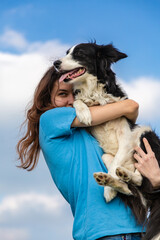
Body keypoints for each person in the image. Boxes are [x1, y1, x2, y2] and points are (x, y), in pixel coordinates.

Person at [17, 65, 160, 240]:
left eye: (76, 93)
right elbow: (130, 107)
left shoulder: (97, 129)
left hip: (140, 228)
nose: (71, 100)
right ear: (47, 100)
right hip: (102, 231)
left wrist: (156, 179)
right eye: (62, 94)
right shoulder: (50, 119)